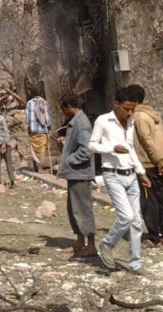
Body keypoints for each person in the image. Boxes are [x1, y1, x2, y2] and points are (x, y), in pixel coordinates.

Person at [89, 86, 151, 273]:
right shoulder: (103, 120)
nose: (129, 113)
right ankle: (107, 245)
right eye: (126, 108)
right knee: (126, 217)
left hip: (131, 174)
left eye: (132, 109)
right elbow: (91, 145)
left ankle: (135, 263)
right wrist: (111, 148)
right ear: (116, 104)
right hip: (112, 174)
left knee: (136, 221)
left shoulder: (130, 123)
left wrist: (141, 172)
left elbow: (130, 148)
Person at [130, 84, 163, 247]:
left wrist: (157, 160)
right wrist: (161, 161)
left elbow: (147, 142)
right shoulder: (152, 114)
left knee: (148, 200)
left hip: (147, 163)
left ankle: (154, 236)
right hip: (157, 162)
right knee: (161, 198)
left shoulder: (139, 117)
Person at [55, 95, 95, 258]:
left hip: (81, 174)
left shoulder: (82, 123)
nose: (63, 112)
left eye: (63, 109)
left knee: (83, 210)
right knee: (74, 210)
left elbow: (86, 149)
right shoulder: (75, 122)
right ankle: (79, 242)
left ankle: (91, 245)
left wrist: (70, 159)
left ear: (69, 106)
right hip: (74, 173)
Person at [25, 90, 51, 171]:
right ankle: (40, 167)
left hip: (33, 130)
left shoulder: (29, 103)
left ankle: (36, 166)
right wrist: (49, 126)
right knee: (42, 149)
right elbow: (47, 117)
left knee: (34, 149)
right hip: (43, 129)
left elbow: (27, 118)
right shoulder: (44, 103)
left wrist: (28, 126)